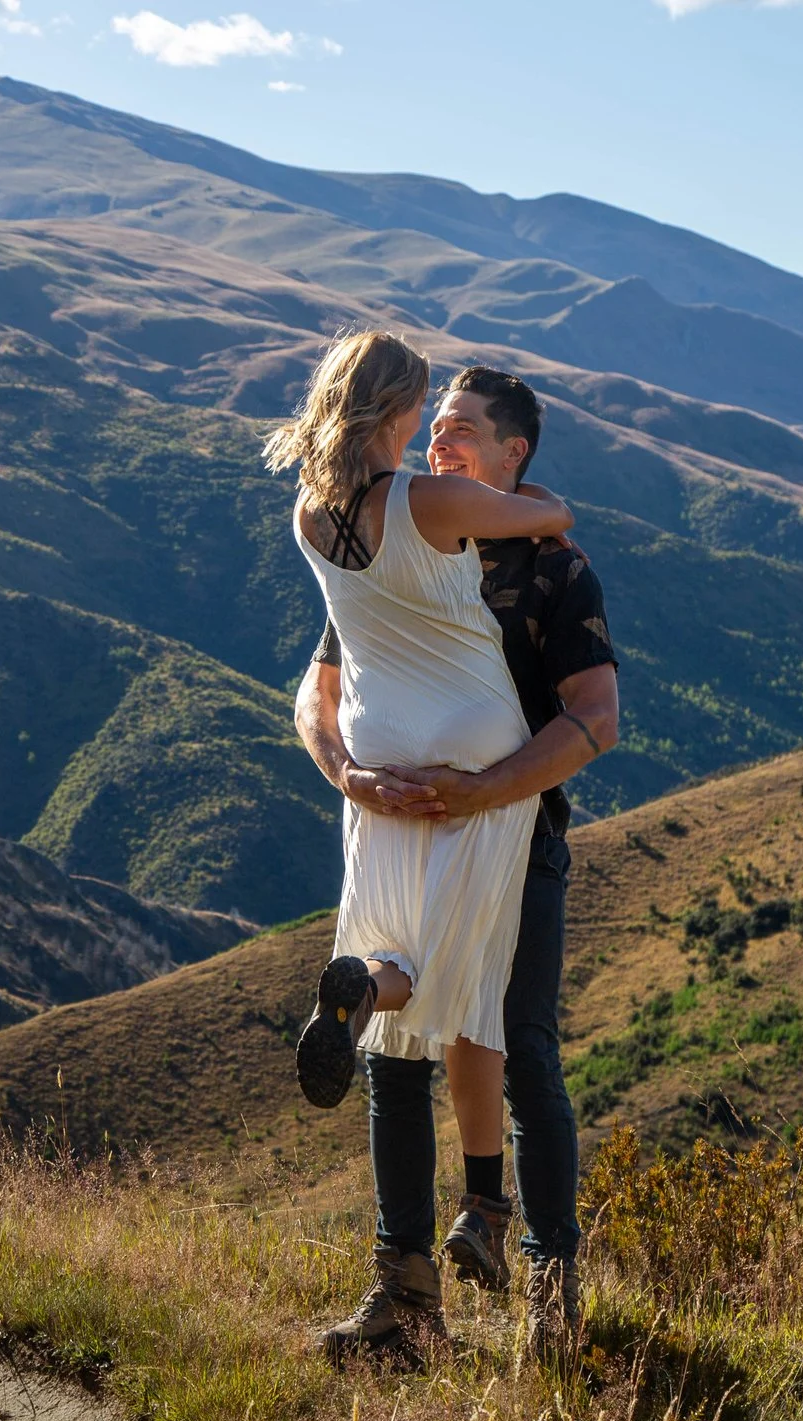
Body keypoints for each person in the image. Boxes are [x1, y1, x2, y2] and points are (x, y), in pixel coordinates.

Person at [296, 364, 619, 1367]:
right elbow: (316, 689)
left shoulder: (555, 570)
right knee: (393, 1058)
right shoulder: (400, 542)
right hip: (400, 812)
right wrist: (347, 770)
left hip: (517, 837)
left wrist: (495, 787)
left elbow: (595, 718)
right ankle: (403, 1304)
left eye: (464, 429)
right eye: (433, 425)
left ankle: (547, 1301)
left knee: (521, 1053)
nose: (441, 443)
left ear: (513, 455)